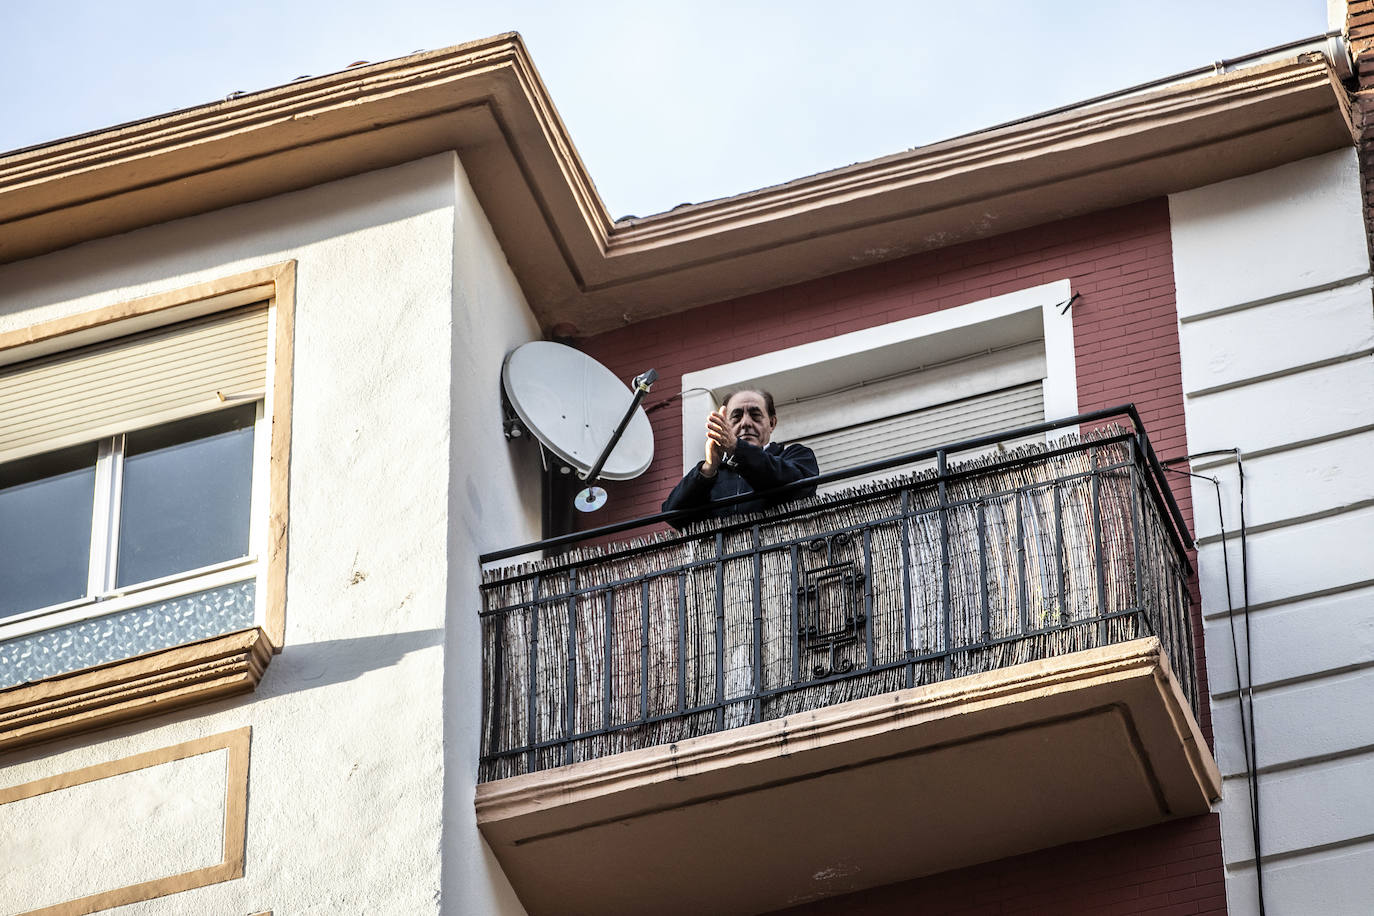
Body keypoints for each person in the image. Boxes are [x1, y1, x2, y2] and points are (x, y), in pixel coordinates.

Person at [661, 389, 818, 527]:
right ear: (725, 425)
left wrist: (737, 448)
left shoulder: (796, 456)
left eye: (755, 415)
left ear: (771, 423)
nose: (745, 423)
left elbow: (798, 488)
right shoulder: (711, 476)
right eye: (736, 417)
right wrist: (708, 468)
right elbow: (673, 516)